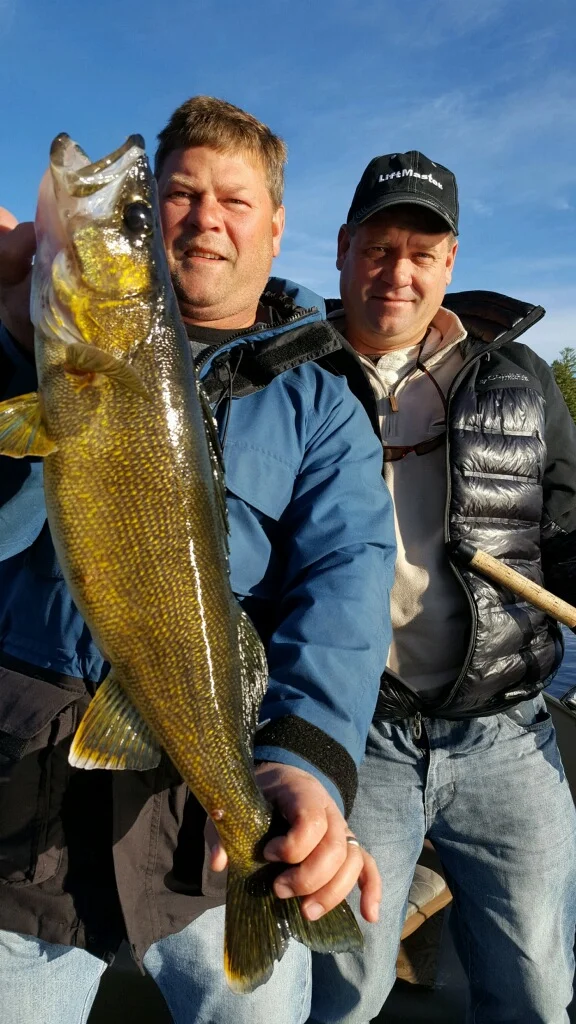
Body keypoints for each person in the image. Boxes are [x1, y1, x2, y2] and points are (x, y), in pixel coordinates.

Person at [0, 98, 396, 1024]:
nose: (203, 216)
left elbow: (346, 586)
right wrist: (15, 345)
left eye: (234, 198)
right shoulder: (33, 349)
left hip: (207, 840)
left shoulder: (324, 403)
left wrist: (306, 764)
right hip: (21, 820)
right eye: (170, 198)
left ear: (278, 226)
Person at [309, 150, 576, 1024]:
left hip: (507, 731)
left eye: (422, 254)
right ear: (344, 248)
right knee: (344, 990)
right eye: (380, 248)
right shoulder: (288, 375)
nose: (399, 272)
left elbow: (566, 528)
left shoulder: (520, 377)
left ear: (450, 262)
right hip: (358, 736)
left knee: (537, 983)